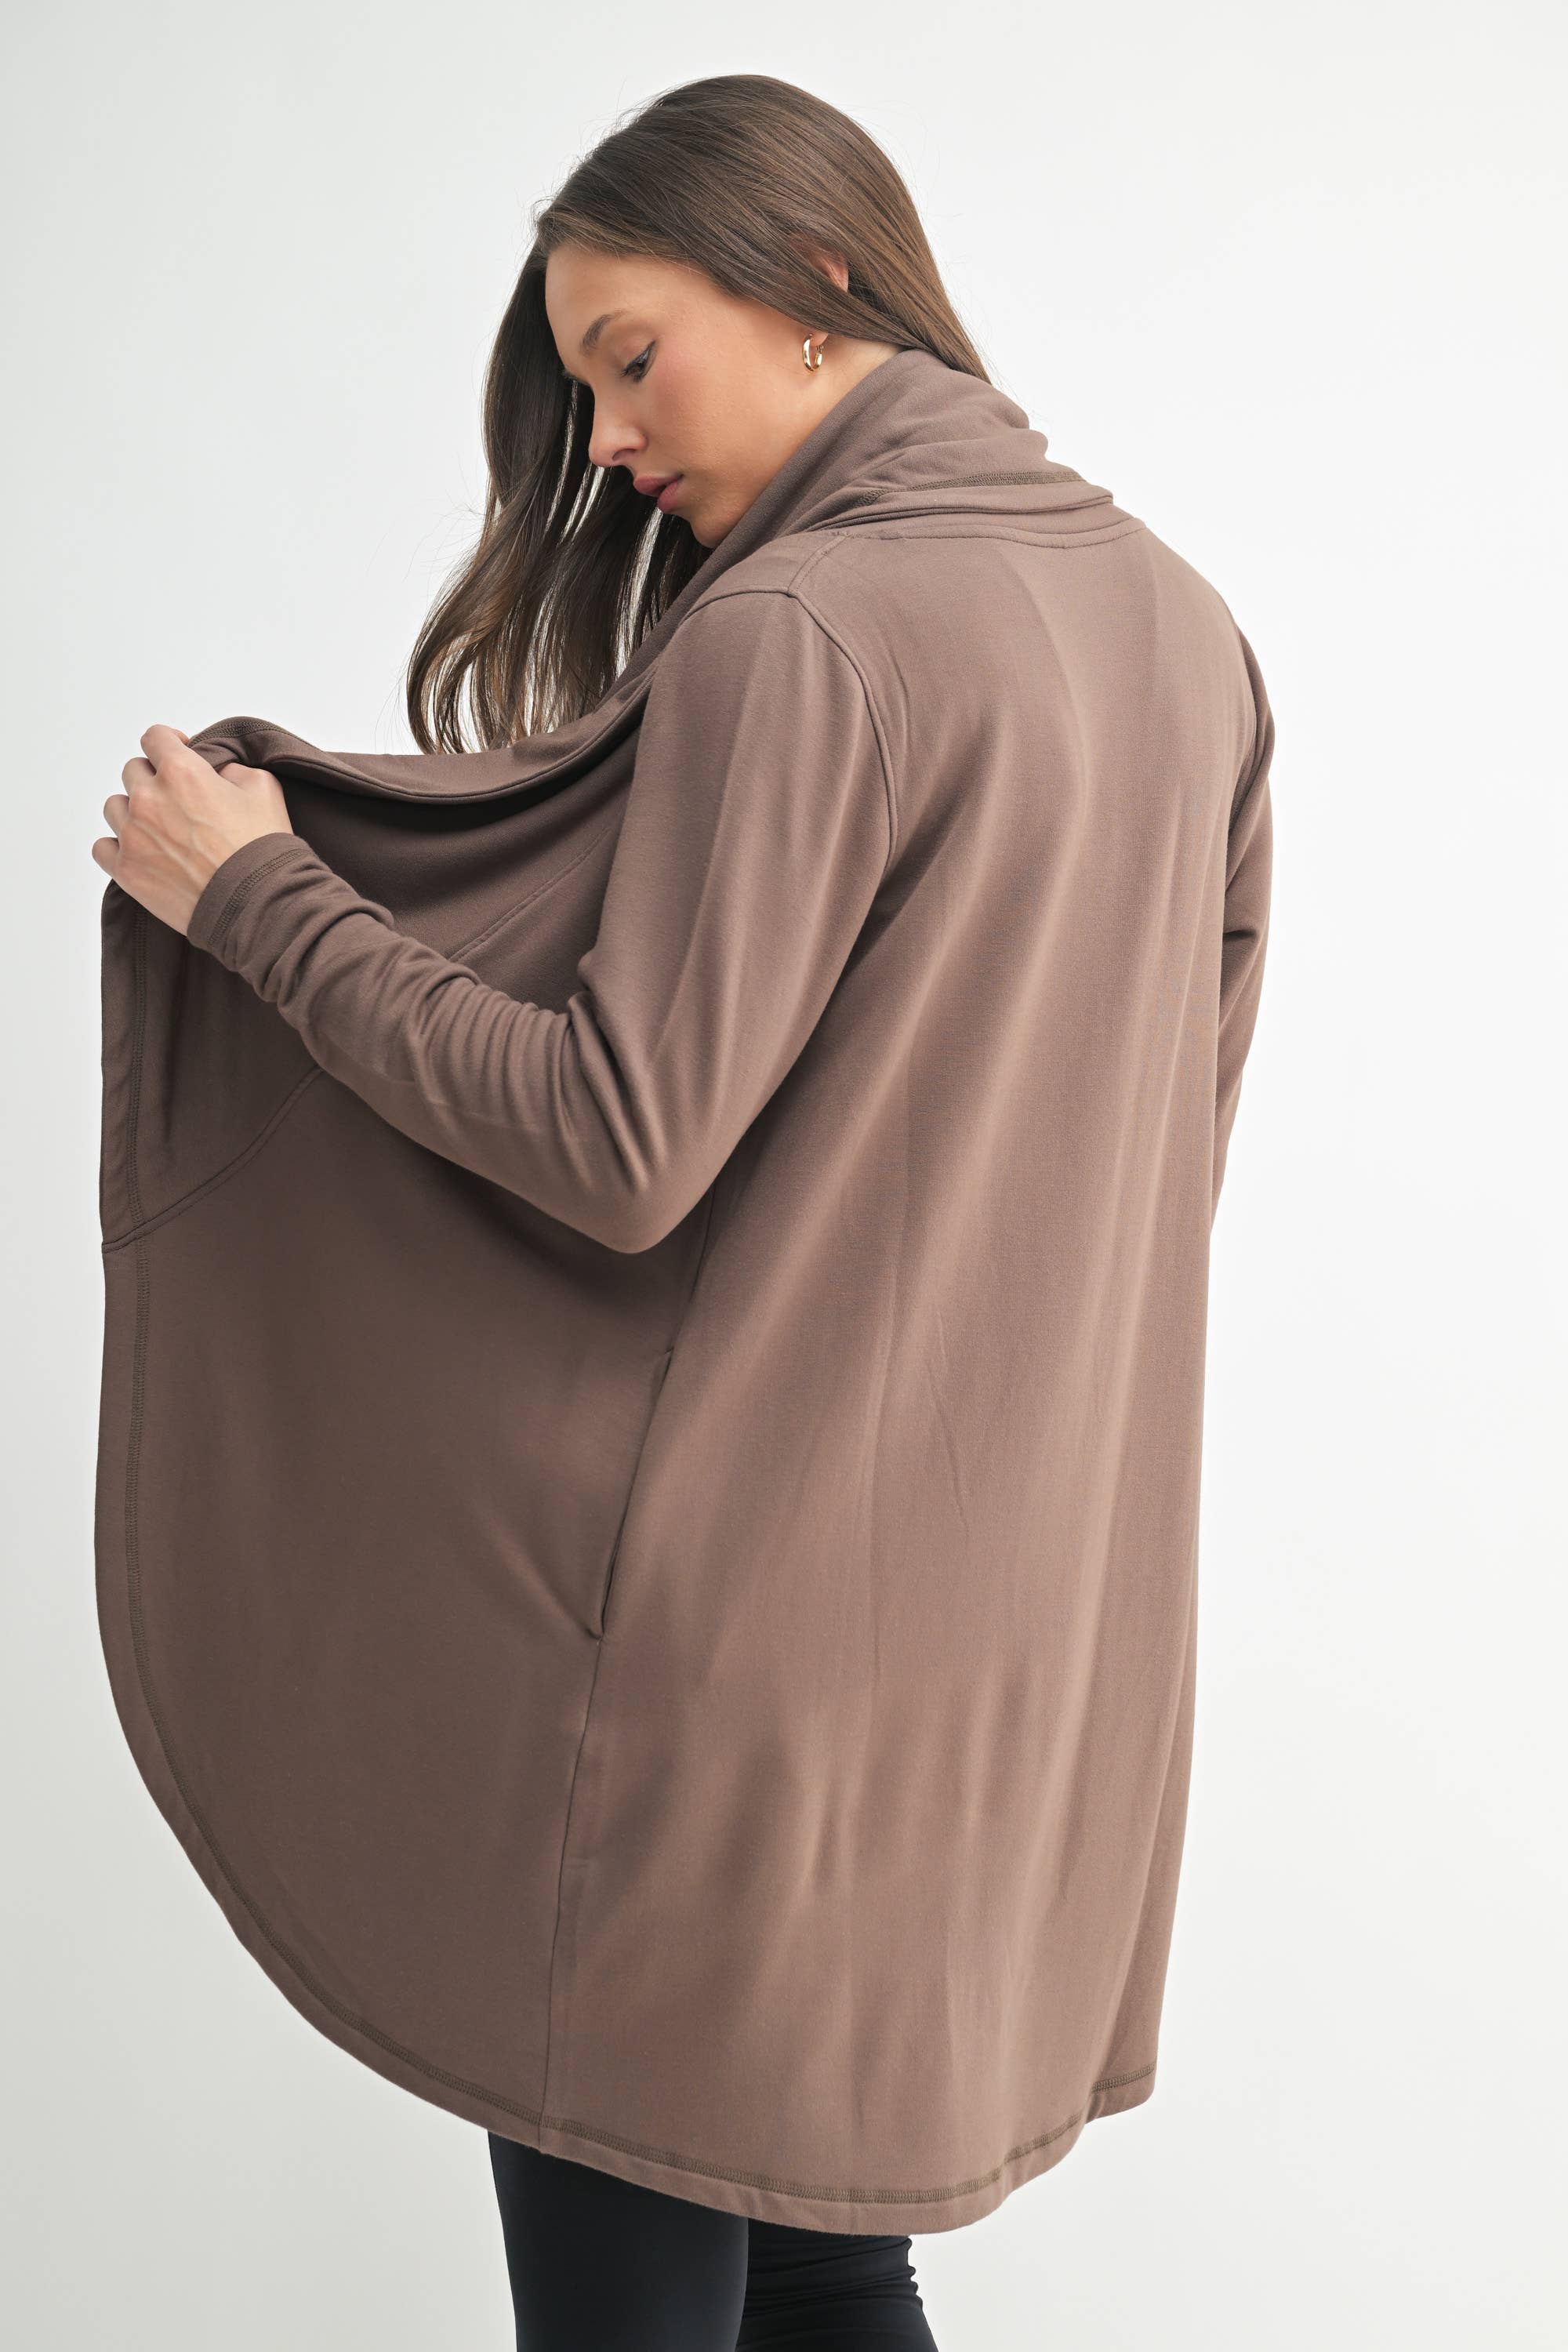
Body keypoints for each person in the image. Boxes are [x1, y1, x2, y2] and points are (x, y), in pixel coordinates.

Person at [93, 72, 1272, 2351]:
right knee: (829, 2258)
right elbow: (1160, 1165)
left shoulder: (799, 632)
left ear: (814, 281)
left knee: (646, 2293)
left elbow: (620, 1143)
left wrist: (262, 905)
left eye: (632, 358)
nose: (608, 439)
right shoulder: (1183, 631)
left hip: (717, 1686)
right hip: (992, 1650)